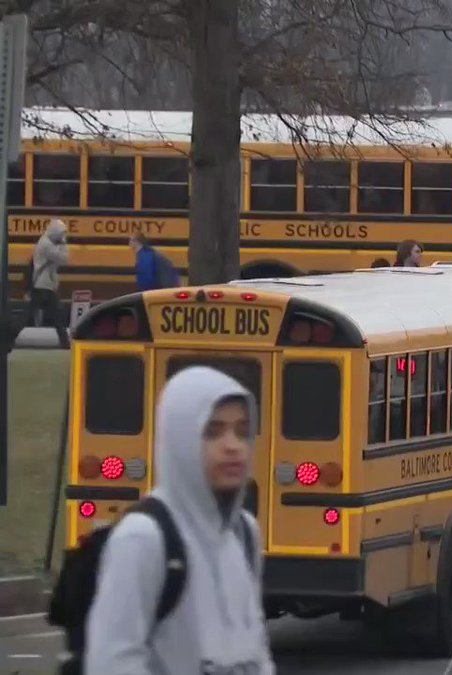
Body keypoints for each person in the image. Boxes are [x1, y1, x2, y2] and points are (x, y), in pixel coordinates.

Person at [84, 367, 275, 674]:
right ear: (179, 439)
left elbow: (257, 650)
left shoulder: (244, 534)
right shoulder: (143, 538)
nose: (233, 445)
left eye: (242, 431)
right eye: (212, 431)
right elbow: (112, 662)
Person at [26, 218, 70, 349]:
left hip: (44, 285)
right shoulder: (46, 244)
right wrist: (64, 243)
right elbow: (64, 259)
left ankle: (9, 336)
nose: (63, 235)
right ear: (55, 231)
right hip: (43, 285)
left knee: (29, 313)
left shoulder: (47, 242)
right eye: (62, 233)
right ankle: (64, 342)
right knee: (57, 314)